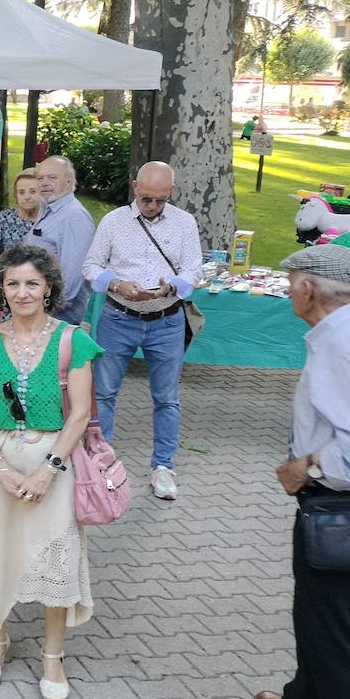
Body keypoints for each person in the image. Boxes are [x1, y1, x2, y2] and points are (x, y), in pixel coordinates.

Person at [0, 243, 102, 699]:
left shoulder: (71, 341)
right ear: (0, 288)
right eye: (13, 283)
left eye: (32, 284)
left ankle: (53, 654)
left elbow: (79, 414)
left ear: (49, 289)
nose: (22, 292)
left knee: (54, 558)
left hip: (53, 455)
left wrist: (48, 472)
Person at [259, 244, 350, 699]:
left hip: (340, 508)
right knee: (318, 618)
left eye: (292, 279)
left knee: (338, 632)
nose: (290, 288)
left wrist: (307, 465)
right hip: (332, 507)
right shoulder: (340, 333)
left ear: (308, 289)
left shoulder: (343, 345)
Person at [82, 160, 201, 502]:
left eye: (160, 200)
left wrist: (172, 286)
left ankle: (163, 467)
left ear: (170, 193)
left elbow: (194, 269)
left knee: (166, 398)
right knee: (103, 393)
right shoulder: (115, 221)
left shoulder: (183, 223)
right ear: (135, 187)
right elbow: (90, 266)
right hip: (119, 317)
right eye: (147, 198)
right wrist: (117, 284)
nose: (151, 207)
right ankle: (98, 463)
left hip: (166, 320)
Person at [22, 155, 97, 325]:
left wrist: (48, 309)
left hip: (58, 316)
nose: (44, 183)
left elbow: (73, 275)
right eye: (40, 178)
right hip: (39, 307)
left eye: (52, 178)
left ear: (69, 182)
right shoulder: (48, 208)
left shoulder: (74, 216)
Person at [0, 168, 41, 256]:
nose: (27, 197)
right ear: (15, 195)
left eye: (33, 191)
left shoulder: (49, 219)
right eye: (21, 192)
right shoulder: (6, 217)